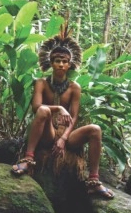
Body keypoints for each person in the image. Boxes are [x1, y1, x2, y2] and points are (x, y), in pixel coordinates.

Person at [11, 25, 114, 199]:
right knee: (44, 110)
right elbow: (37, 108)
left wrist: (64, 138)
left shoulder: (75, 88)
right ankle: (28, 160)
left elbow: (73, 117)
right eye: (57, 60)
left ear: (69, 65)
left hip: (66, 135)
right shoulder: (41, 83)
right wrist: (58, 108)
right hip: (47, 133)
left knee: (95, 129)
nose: (61, 64)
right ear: (51, 63)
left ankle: (94, 181)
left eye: (64, 61)